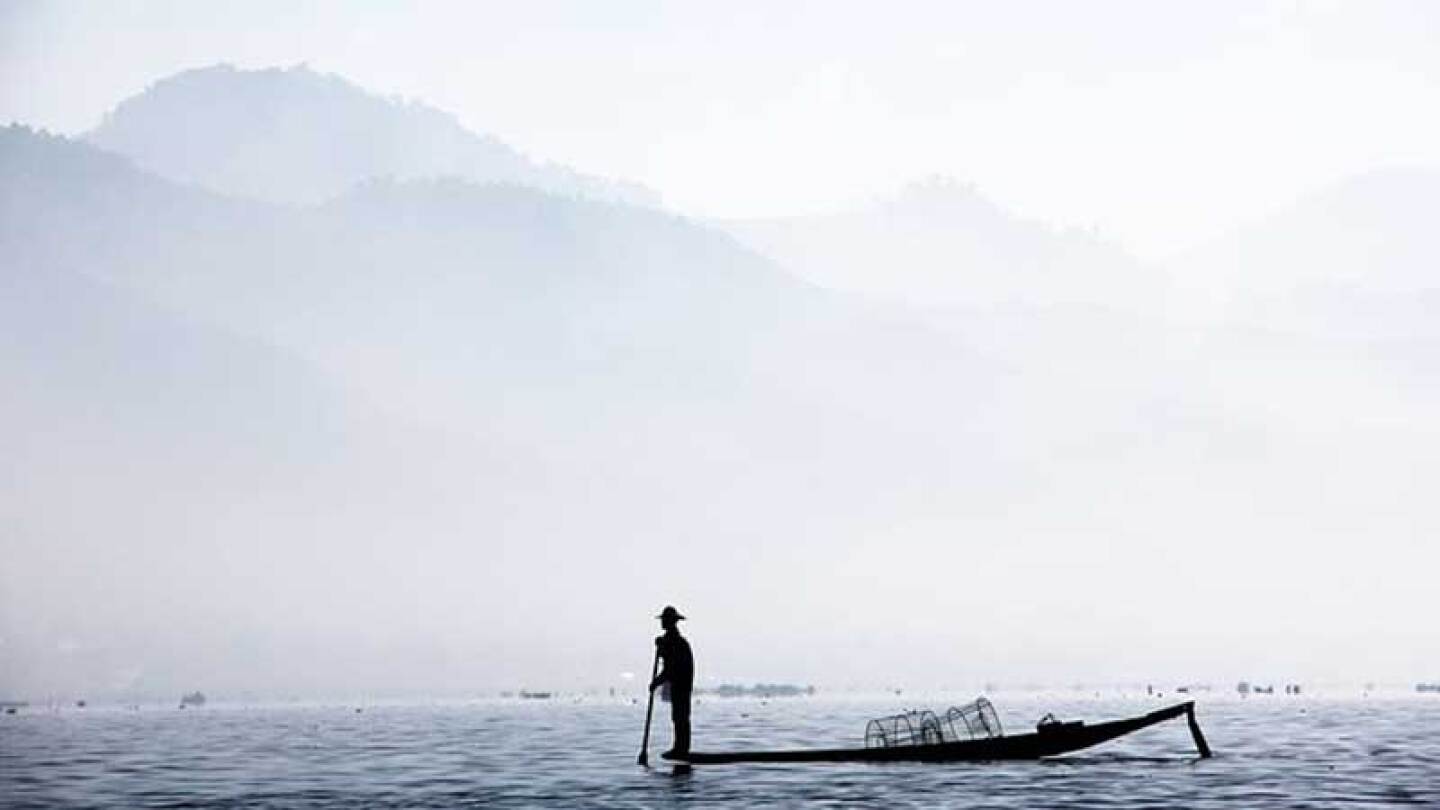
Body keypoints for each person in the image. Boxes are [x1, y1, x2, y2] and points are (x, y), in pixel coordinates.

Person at [650, 605, 694, 758]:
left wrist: (657, 682)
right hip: (679, 684)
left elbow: (670, 668)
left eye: (665, 620)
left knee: (680, 716)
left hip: (681, 684)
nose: (662, 623)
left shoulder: (677, 642)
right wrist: (661, 647)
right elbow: (667, 663)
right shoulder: (670, 640)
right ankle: (680, 747)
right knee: (678, 717)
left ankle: (681, 749)